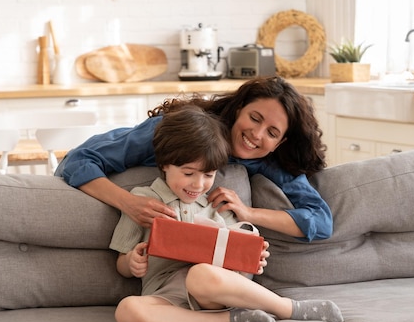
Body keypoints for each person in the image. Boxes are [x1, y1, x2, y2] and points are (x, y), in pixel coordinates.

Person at [110, 105, 343, 322]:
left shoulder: (216, 205)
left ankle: (287, 308)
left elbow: (236, 260)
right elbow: (122, 265)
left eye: (208, 175)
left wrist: (250, 258)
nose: (198, 184)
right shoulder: (142, 201)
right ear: (164, 165)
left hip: (210, 291)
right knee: (127, 310)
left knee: (200, 274)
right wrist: (131, 262)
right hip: (167, 297)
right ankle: (230, 320)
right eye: (188, 174)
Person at [56, 76, 331, 242]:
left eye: (271, 132)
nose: (256, 135)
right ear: (238, 109)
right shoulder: (174, 131)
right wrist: (129, 203)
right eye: (254, 118)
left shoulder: (269, 161)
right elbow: (77, 160)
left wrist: (248, 214)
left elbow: (321, 221)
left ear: (280, 142)